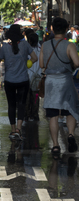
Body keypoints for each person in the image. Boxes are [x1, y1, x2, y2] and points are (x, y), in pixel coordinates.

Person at [39, 17, 79, 158]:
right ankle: (70, 134)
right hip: (66, 81)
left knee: (53, 115)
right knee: (70, 110)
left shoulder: (45, 45)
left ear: (52, 29)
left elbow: (41, 64)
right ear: (67, 29)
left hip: (51, 83)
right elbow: (77, 62)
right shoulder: (70, 45)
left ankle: (55, 145)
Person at [0, 24, 37, 140]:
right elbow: (35, 58)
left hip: (9, 81)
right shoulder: (25, 45)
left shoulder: (4, 47)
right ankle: (19, 129)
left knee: (12, 105)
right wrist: (27, 62)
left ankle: (13, 131)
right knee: (21, 105)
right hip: (23, 80)